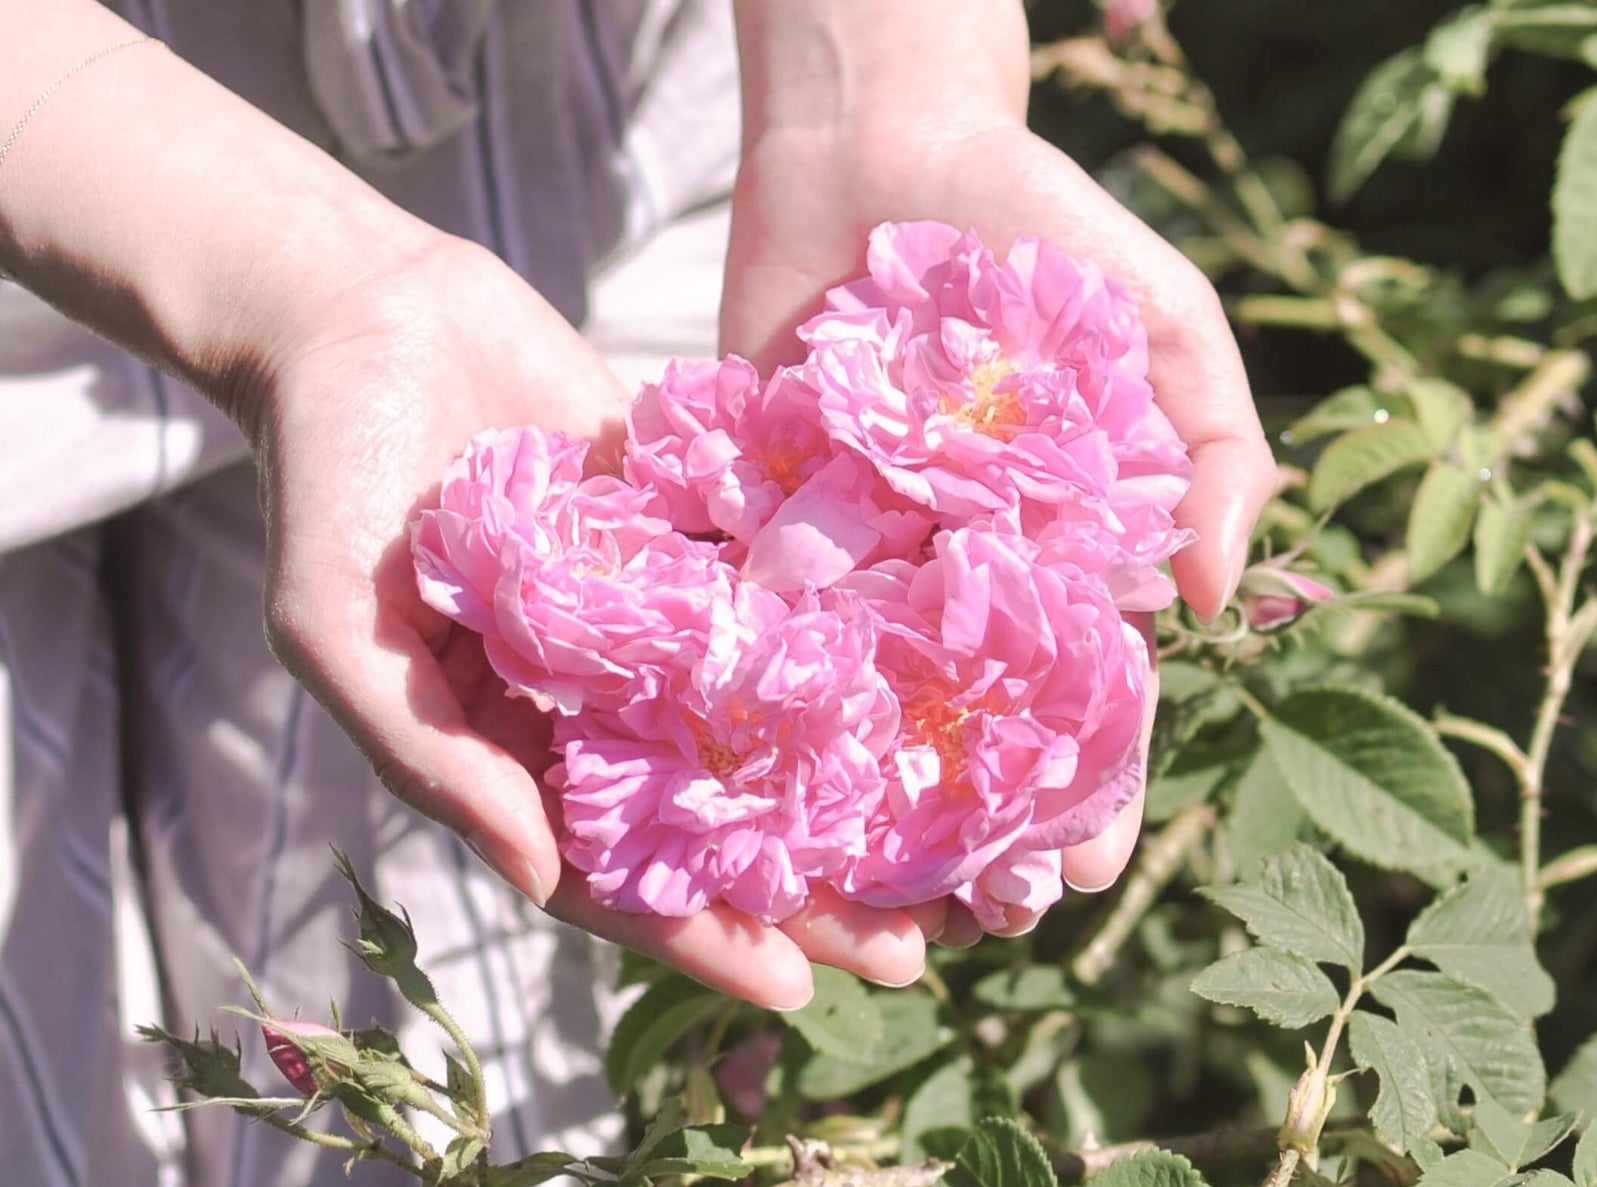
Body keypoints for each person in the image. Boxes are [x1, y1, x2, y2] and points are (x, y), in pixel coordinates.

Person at [0, 1, 1275, 1184]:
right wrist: (309, 292)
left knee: (465, 1043)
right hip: (44, 199)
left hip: (636, 165)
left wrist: (883, 80)